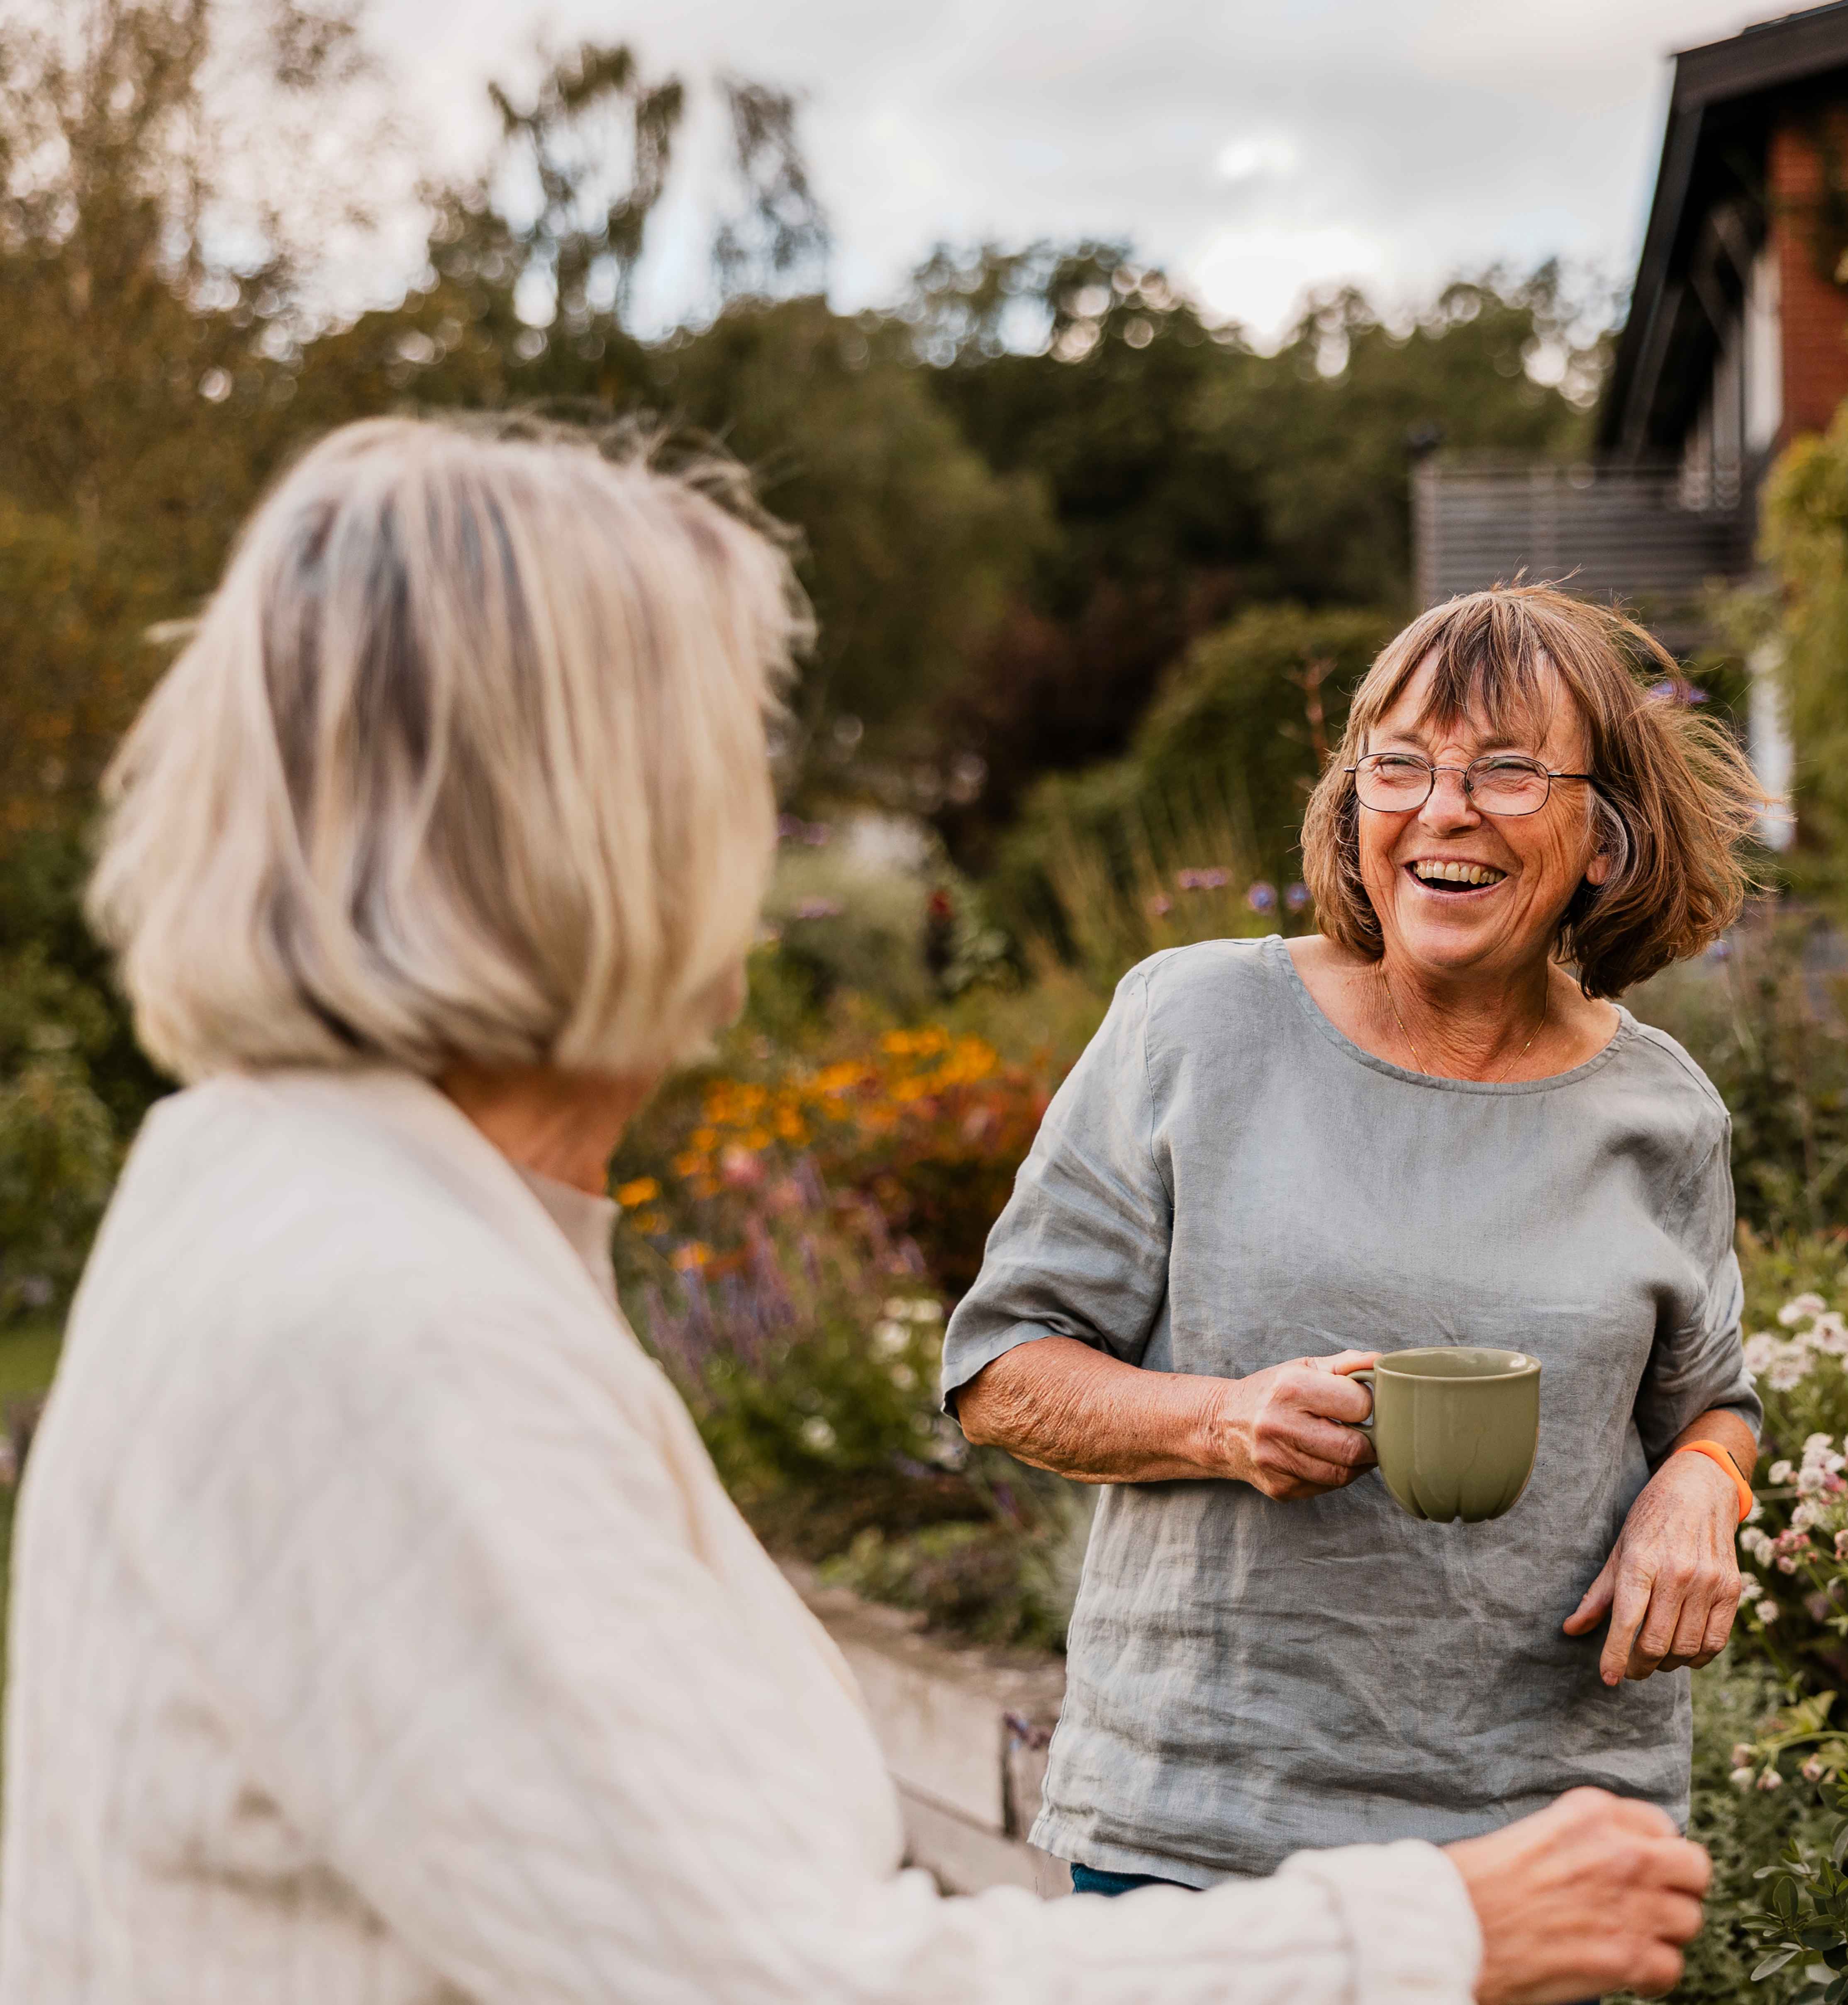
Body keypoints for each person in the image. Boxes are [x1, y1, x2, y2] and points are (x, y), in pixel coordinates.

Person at [1, 419, 1709, 2005]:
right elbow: (803, 1979)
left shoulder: (327, 1208)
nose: (759, 816)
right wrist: (1438, 1924)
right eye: (724, 748)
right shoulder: (376, 1320)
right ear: (577, 824)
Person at [943, 585, 1766, 1896]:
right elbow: (1000, 1368)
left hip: (1542, 1846)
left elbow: (1713, 1407)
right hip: (1205, 1833)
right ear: (1354, 805)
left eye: (1505, 771)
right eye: (1399, 765)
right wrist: (1220, 1421)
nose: (1443, 809)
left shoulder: (1659, 1111)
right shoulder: (1192, 1026)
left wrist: (1698, 1492)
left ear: (1603, 840)